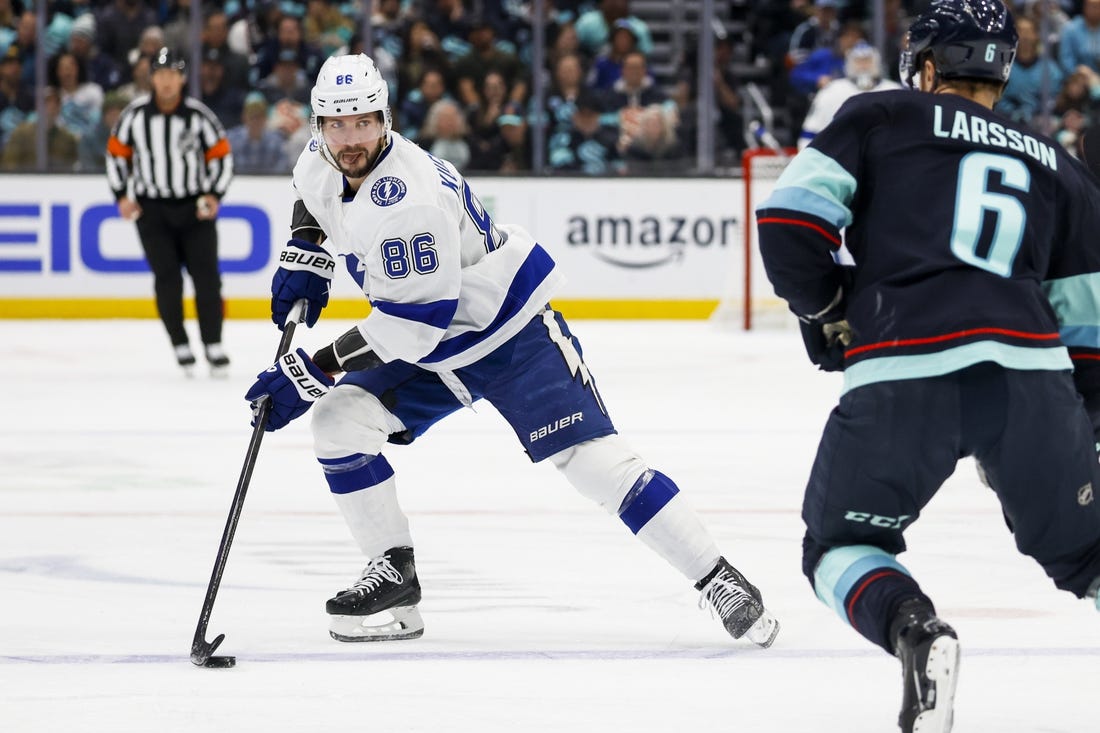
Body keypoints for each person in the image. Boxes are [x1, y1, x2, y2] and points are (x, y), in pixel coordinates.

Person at [242, 53, 780, 649]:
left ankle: (717, 577)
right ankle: (395, 575)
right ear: (318, 125)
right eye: (336, 125)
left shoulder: (405, 200)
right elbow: (310, 195)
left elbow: (413, 326)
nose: (349, 139)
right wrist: (306, 249)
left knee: (594, 466)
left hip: (507, 334)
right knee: (340, 424)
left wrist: (313, 368)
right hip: (439, 346)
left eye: (363, 122)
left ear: (385, 118)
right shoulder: (321, 156)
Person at [756, 2, 1100, 732]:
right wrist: (1080, 425)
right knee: (1090, 555)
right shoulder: (1058, 164)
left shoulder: (881, 115)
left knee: (840, 546)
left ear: (930, 66)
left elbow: (789, 223)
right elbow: (1090, 326)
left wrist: (829, 306)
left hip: (905, 363)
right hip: (1032, 380)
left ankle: (917, 630)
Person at [105, 48, 234, 376]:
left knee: (207, 279)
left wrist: (214, 193)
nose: (166, 81)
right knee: (167, 279)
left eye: (172, 74)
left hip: (195, 210)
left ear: (182, 78)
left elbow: (221, 156)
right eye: (160, 74)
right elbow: (116, 154)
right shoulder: (134, 116)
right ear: (152, 79)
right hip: (152, 211)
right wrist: (121, 195)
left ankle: (213, 343)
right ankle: (179, 342)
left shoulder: (198, 116)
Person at [797, 41, 901, 150]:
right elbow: (812, 130)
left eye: (867, 60)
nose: (863, 66)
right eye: (858, 61)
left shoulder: (894, 90)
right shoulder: (831, 90)